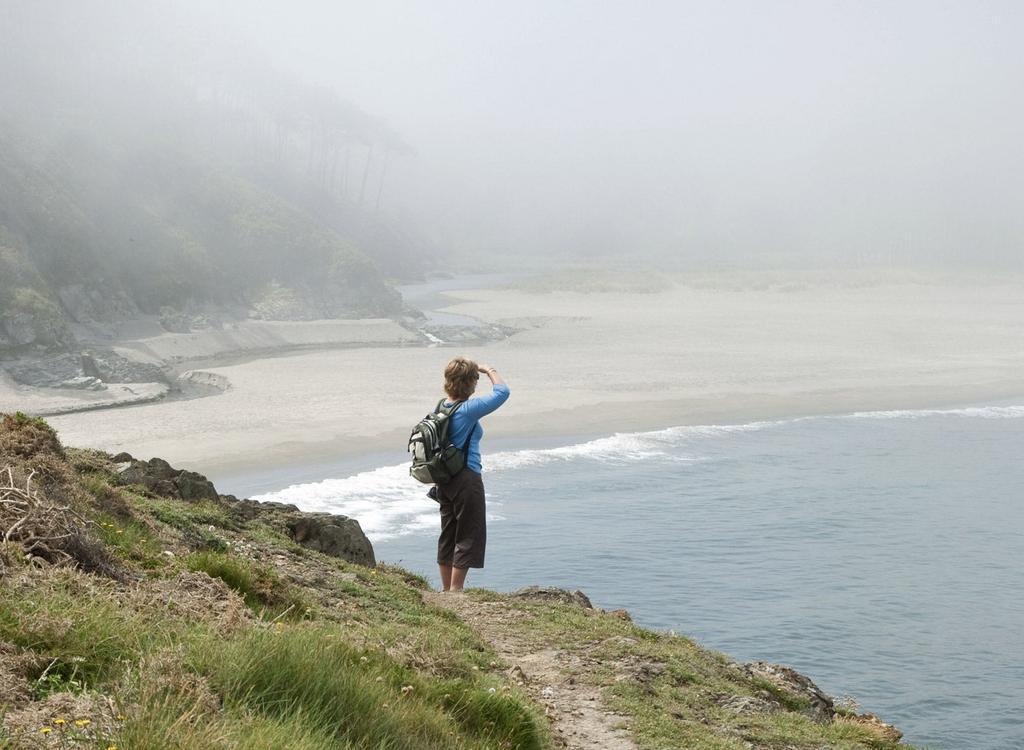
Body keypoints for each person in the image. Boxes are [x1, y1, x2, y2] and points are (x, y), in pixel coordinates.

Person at [436, 356, 509, 592]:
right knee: (468, 532)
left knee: (449, 532)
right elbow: (502, 393)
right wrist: (489, 369)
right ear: (471, 384)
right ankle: (456, 590)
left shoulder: (441, 406)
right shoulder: (467, 410)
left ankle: (447, 590)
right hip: (467, 477)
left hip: (444, 479)